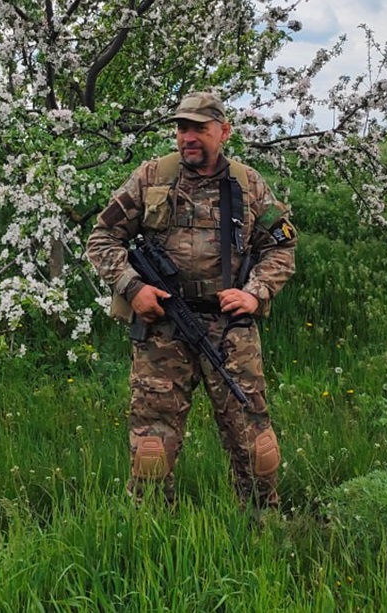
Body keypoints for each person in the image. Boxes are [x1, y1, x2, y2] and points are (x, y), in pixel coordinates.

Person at [85, 91, 297, 513]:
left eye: (200, 127)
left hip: (229, 328)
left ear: (224, 131)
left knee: (253, 435)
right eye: (183, 128)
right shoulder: (151, 177)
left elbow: (281, 248)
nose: (189, 137)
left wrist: (254, 294)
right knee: (152, 441)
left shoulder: (249, 184)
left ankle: (263, 524)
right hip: (162, 326)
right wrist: (133, 287)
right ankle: (150, 529)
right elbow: (102, 238)